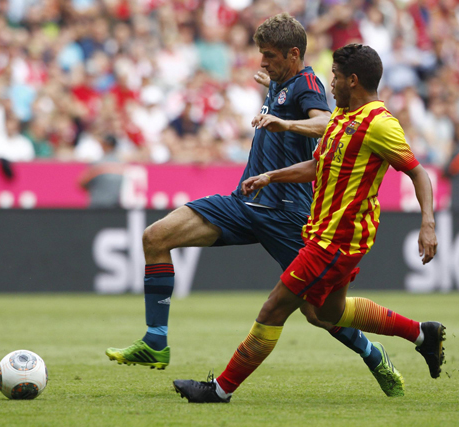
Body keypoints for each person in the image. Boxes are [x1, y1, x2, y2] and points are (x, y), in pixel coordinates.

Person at [106, 14, 410, 397]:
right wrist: (275, 92)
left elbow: (326, 122)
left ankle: (373, 354)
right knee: (156, 237)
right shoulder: (283, 83)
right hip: (245, 201)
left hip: (287, 213)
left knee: (317, 313)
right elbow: (287, 100)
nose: (262, 62)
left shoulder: (309, 85)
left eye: (269, 56)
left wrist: (286, 123)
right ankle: (155, 341)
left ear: (293, 54)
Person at [173, 44, 445, 403]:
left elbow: (418, 173)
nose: (329, 83)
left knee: (274, 308)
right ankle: (423, 335)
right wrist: (271, 176)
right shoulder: (340, 120)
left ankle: (220, 390)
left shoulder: (380, 124)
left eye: (334, 76)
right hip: (323, 234)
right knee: (328, 313)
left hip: (338, 242)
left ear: (353, 80)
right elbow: (318, 167)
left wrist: (428, 223)